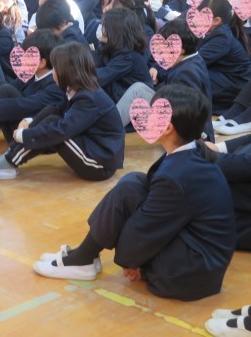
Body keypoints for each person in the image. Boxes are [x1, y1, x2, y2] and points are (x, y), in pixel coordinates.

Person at [34, 85, 236, 302]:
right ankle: (84, 256)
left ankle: (83, 259)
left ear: (167, 128)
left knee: (135, 195)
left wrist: (132, 261)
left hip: (189, 271)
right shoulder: (192, 153)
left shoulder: (177, 176)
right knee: (132, 185)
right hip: (198, 253)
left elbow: (146, 228)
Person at [0, 42, 124, 181]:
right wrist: (29, 122)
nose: (52, 73)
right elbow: (56, 110)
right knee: (51, 111)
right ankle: (10, 157)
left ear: (67, 72)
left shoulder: (89, 99)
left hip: (100, 163)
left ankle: (9, 161)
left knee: (55, 128)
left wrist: (25, 135)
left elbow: (63, 130)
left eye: (55, 69)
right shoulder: (77, 89)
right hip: (90, 147)